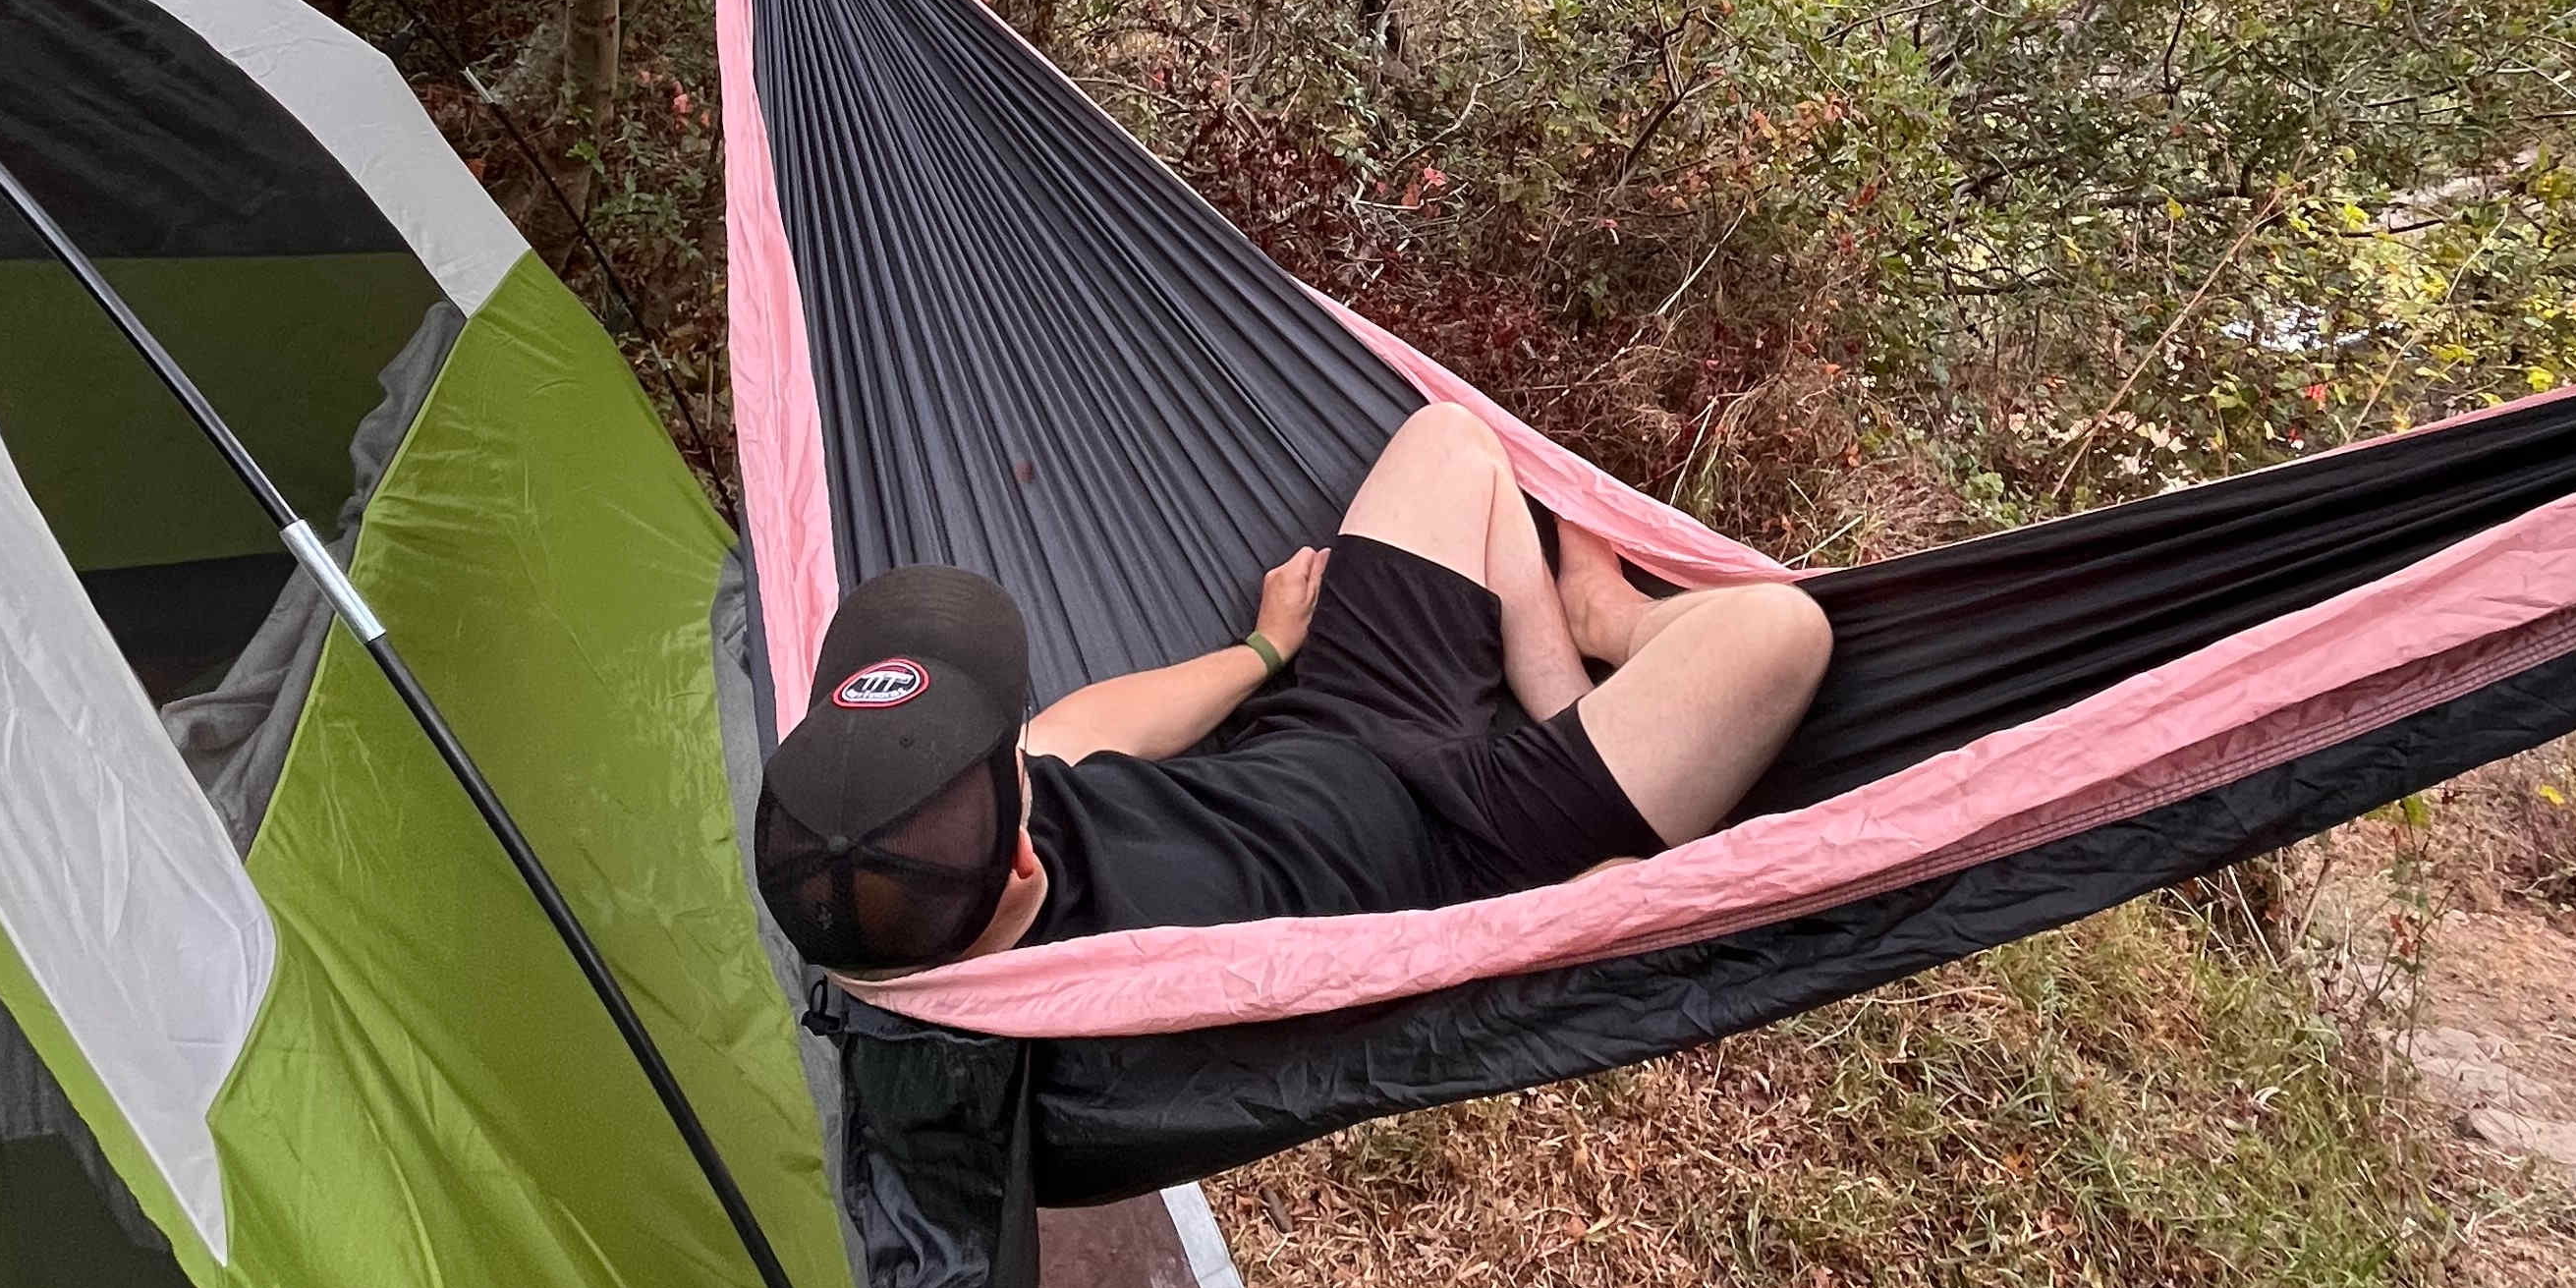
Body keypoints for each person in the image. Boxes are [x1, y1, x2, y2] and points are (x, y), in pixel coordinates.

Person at [751, 400, 1834, 980]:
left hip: (1331, 721)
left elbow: (1079, 729)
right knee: (1783, 631)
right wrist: (1567, 920)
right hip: (1475, 853)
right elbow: (1379, 1013)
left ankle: (1576, 671)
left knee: (1452, 441)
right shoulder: (1114, 995)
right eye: (998, 747)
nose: (1018, 736)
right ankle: (1619, 628)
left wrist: (1267, 651)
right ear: (1023, 854)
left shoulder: (954, 851)